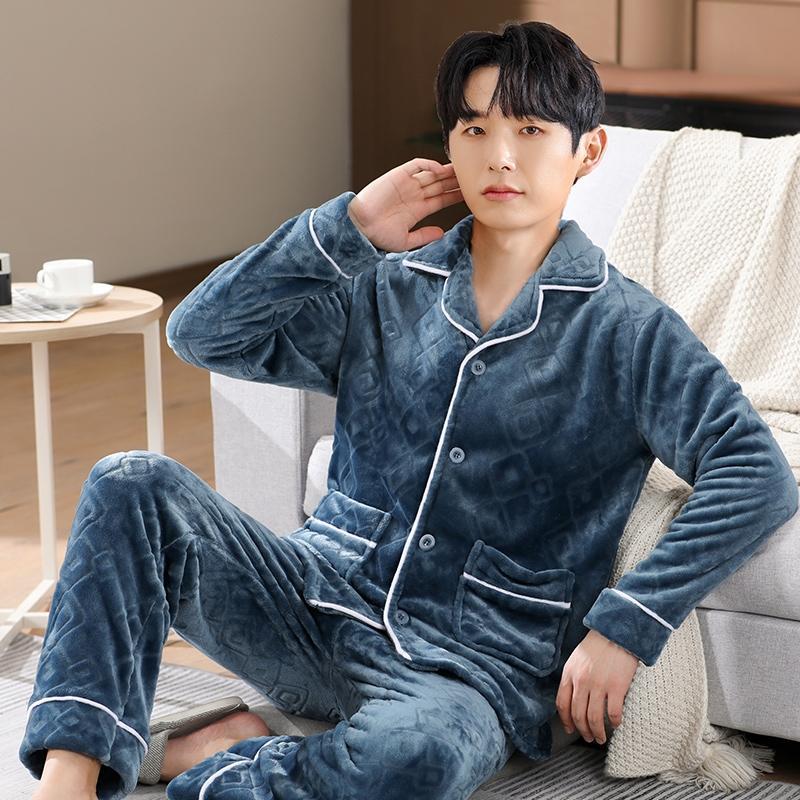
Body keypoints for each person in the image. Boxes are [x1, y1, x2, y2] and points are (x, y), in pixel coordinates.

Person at [19, 18, 799, 800]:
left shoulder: (628, 331)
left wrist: (626, 623)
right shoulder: (387, 286)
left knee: (419, 757)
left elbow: (753, 472)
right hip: (312, 602)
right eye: (475, 128)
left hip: (473, 668)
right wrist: (349, 227)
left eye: (530, 130)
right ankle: (68, 779)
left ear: (587, 151)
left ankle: (215, 758)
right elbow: (202, 333)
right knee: (130, 481)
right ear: (450, 144)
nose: (500, 156)